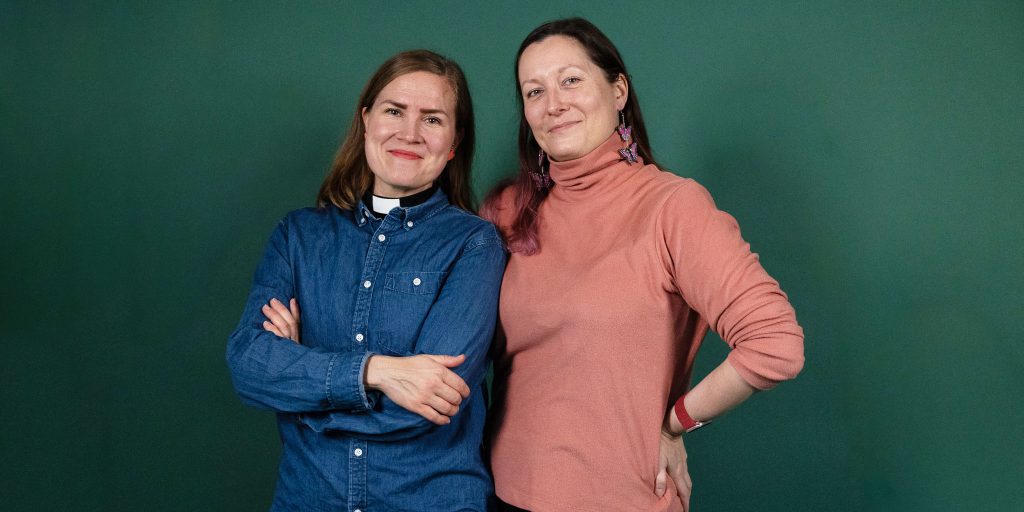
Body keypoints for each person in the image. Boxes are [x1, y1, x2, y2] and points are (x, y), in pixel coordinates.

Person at [481, 18, 805, 512]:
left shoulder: (672, 207)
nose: (553, 104)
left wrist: (675, 423)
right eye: (534, 91)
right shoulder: (507, 211)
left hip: (622, 501)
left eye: (571, 80)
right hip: (503, 495)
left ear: (618, 91)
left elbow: (775, 343)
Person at [226, 49, 505, 511]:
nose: (409, 133)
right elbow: (249, 365)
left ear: (454, 142)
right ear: (366, 120)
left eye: (432, 119)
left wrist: (298, 390)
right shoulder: (298, 236)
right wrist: (377, 372)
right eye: (394, 111)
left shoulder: (474, 245)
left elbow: (430, 403)